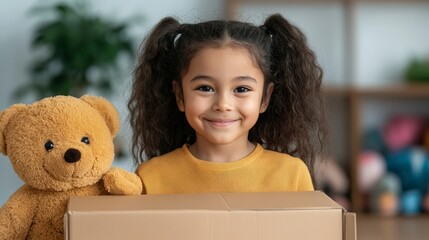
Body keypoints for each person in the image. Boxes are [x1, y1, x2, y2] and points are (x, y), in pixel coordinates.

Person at [127, 14, 328, 194]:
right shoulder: (150, 177)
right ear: (179, 95)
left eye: (241, 89)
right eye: (205, 88)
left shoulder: (291, 175)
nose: (223, 105)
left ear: (265, 98)